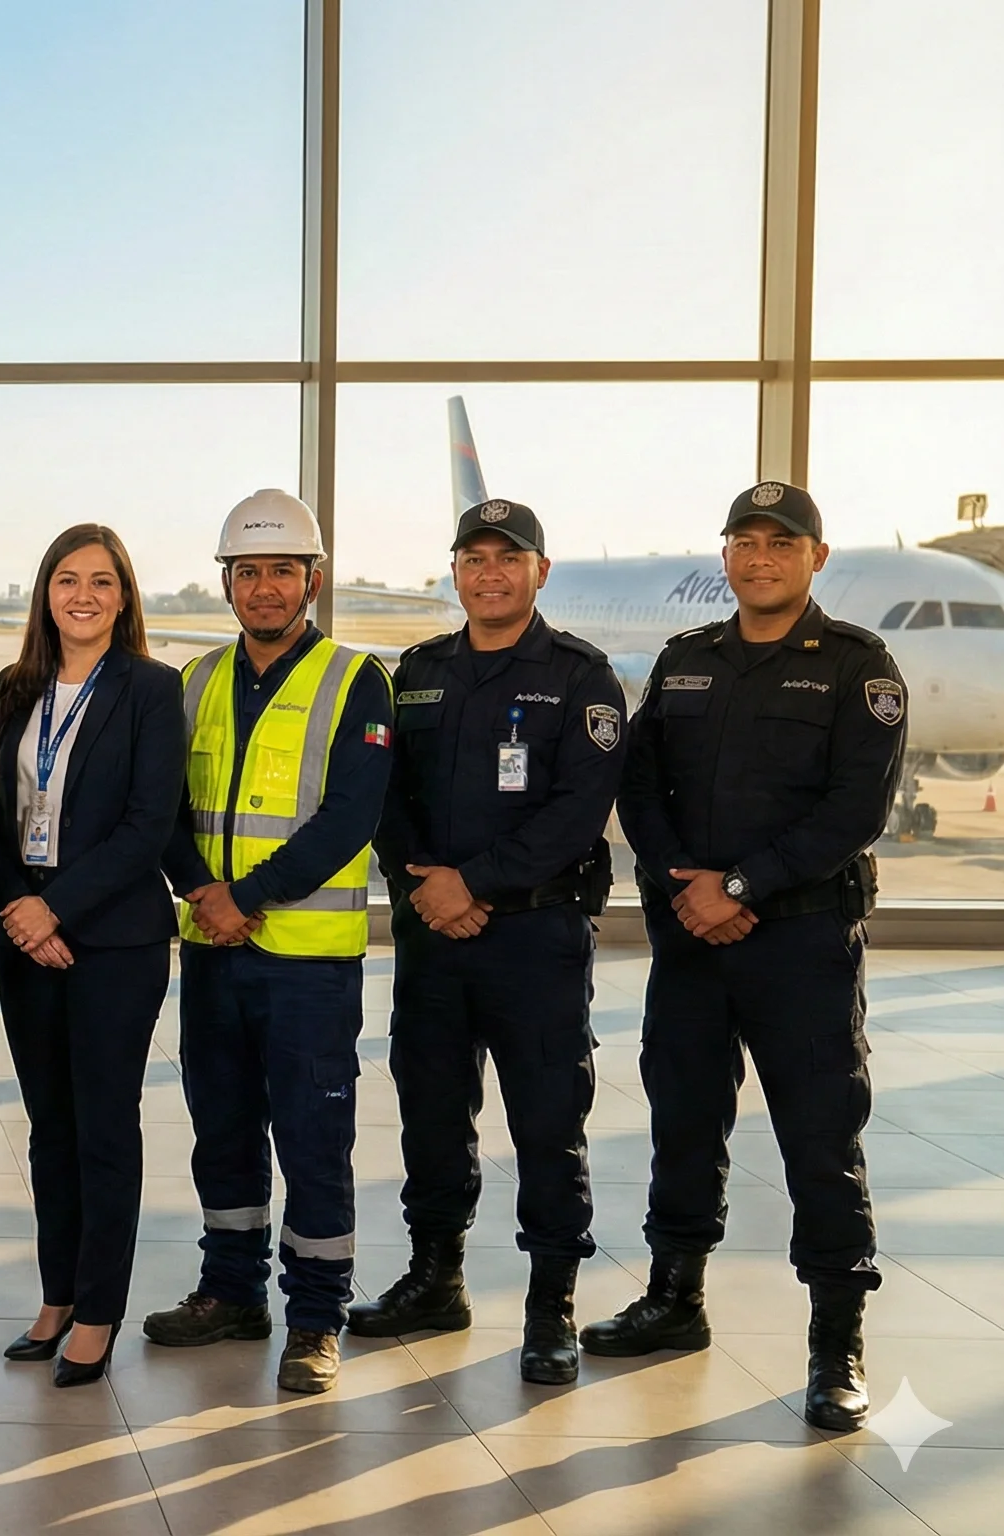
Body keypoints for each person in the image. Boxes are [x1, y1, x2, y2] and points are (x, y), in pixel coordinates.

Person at [592, 481, 903, 1432]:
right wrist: (687, 887)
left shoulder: (857, 668)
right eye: (744, 541)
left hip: (802, 939)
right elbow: (638, 786)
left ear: (816, 555)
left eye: (781, 542)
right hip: (693, 937)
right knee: (683, 1122)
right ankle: (675, 1299)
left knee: (819, 1137)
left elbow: (856, 812)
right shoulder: (690, 661)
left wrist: (738, 887)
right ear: (725, 555)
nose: (760, 557)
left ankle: (835, 1341)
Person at [351, 499, 623, 1388]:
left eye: (509, 558)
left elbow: (578, 814)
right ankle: (436, 1279)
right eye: (474, 558)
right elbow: (385, 796)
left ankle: (553, 1307)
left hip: (535, 938)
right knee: (432, 1112)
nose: (490, 573)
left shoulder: (582, 678)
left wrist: (474, 883)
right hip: (435, 935)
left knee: (548, 1123)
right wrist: (428, 885)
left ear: (541, 571)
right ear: (456, 571)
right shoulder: (418, 672)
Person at [147, 489, 393, 1396]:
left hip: (307, 968)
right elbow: (163, 808)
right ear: (226, 584)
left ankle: (317, 1317)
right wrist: (199, 893)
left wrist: (243, 896)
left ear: (313, 580)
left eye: (281, 570)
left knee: (312, 1137)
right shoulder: (198, 681)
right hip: (215, 956)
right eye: (246, 572)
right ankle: (231, 1292)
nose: (263, 587)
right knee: (223, 1130)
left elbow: (350, 817)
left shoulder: (356, 679)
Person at [0, 525, 185, 1390]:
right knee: (48, 1130)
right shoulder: (14, 687)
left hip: (114, 940)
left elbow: (148, 825)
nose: (84, 595)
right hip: (28, 936)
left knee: (103, 1127)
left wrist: (52, 907)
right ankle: (57, 1295)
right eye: (68, 579)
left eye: (103, 581)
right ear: (46, 593)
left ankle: (100, 1310)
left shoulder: (150, 688)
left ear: (124, 595)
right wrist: (18, 906)